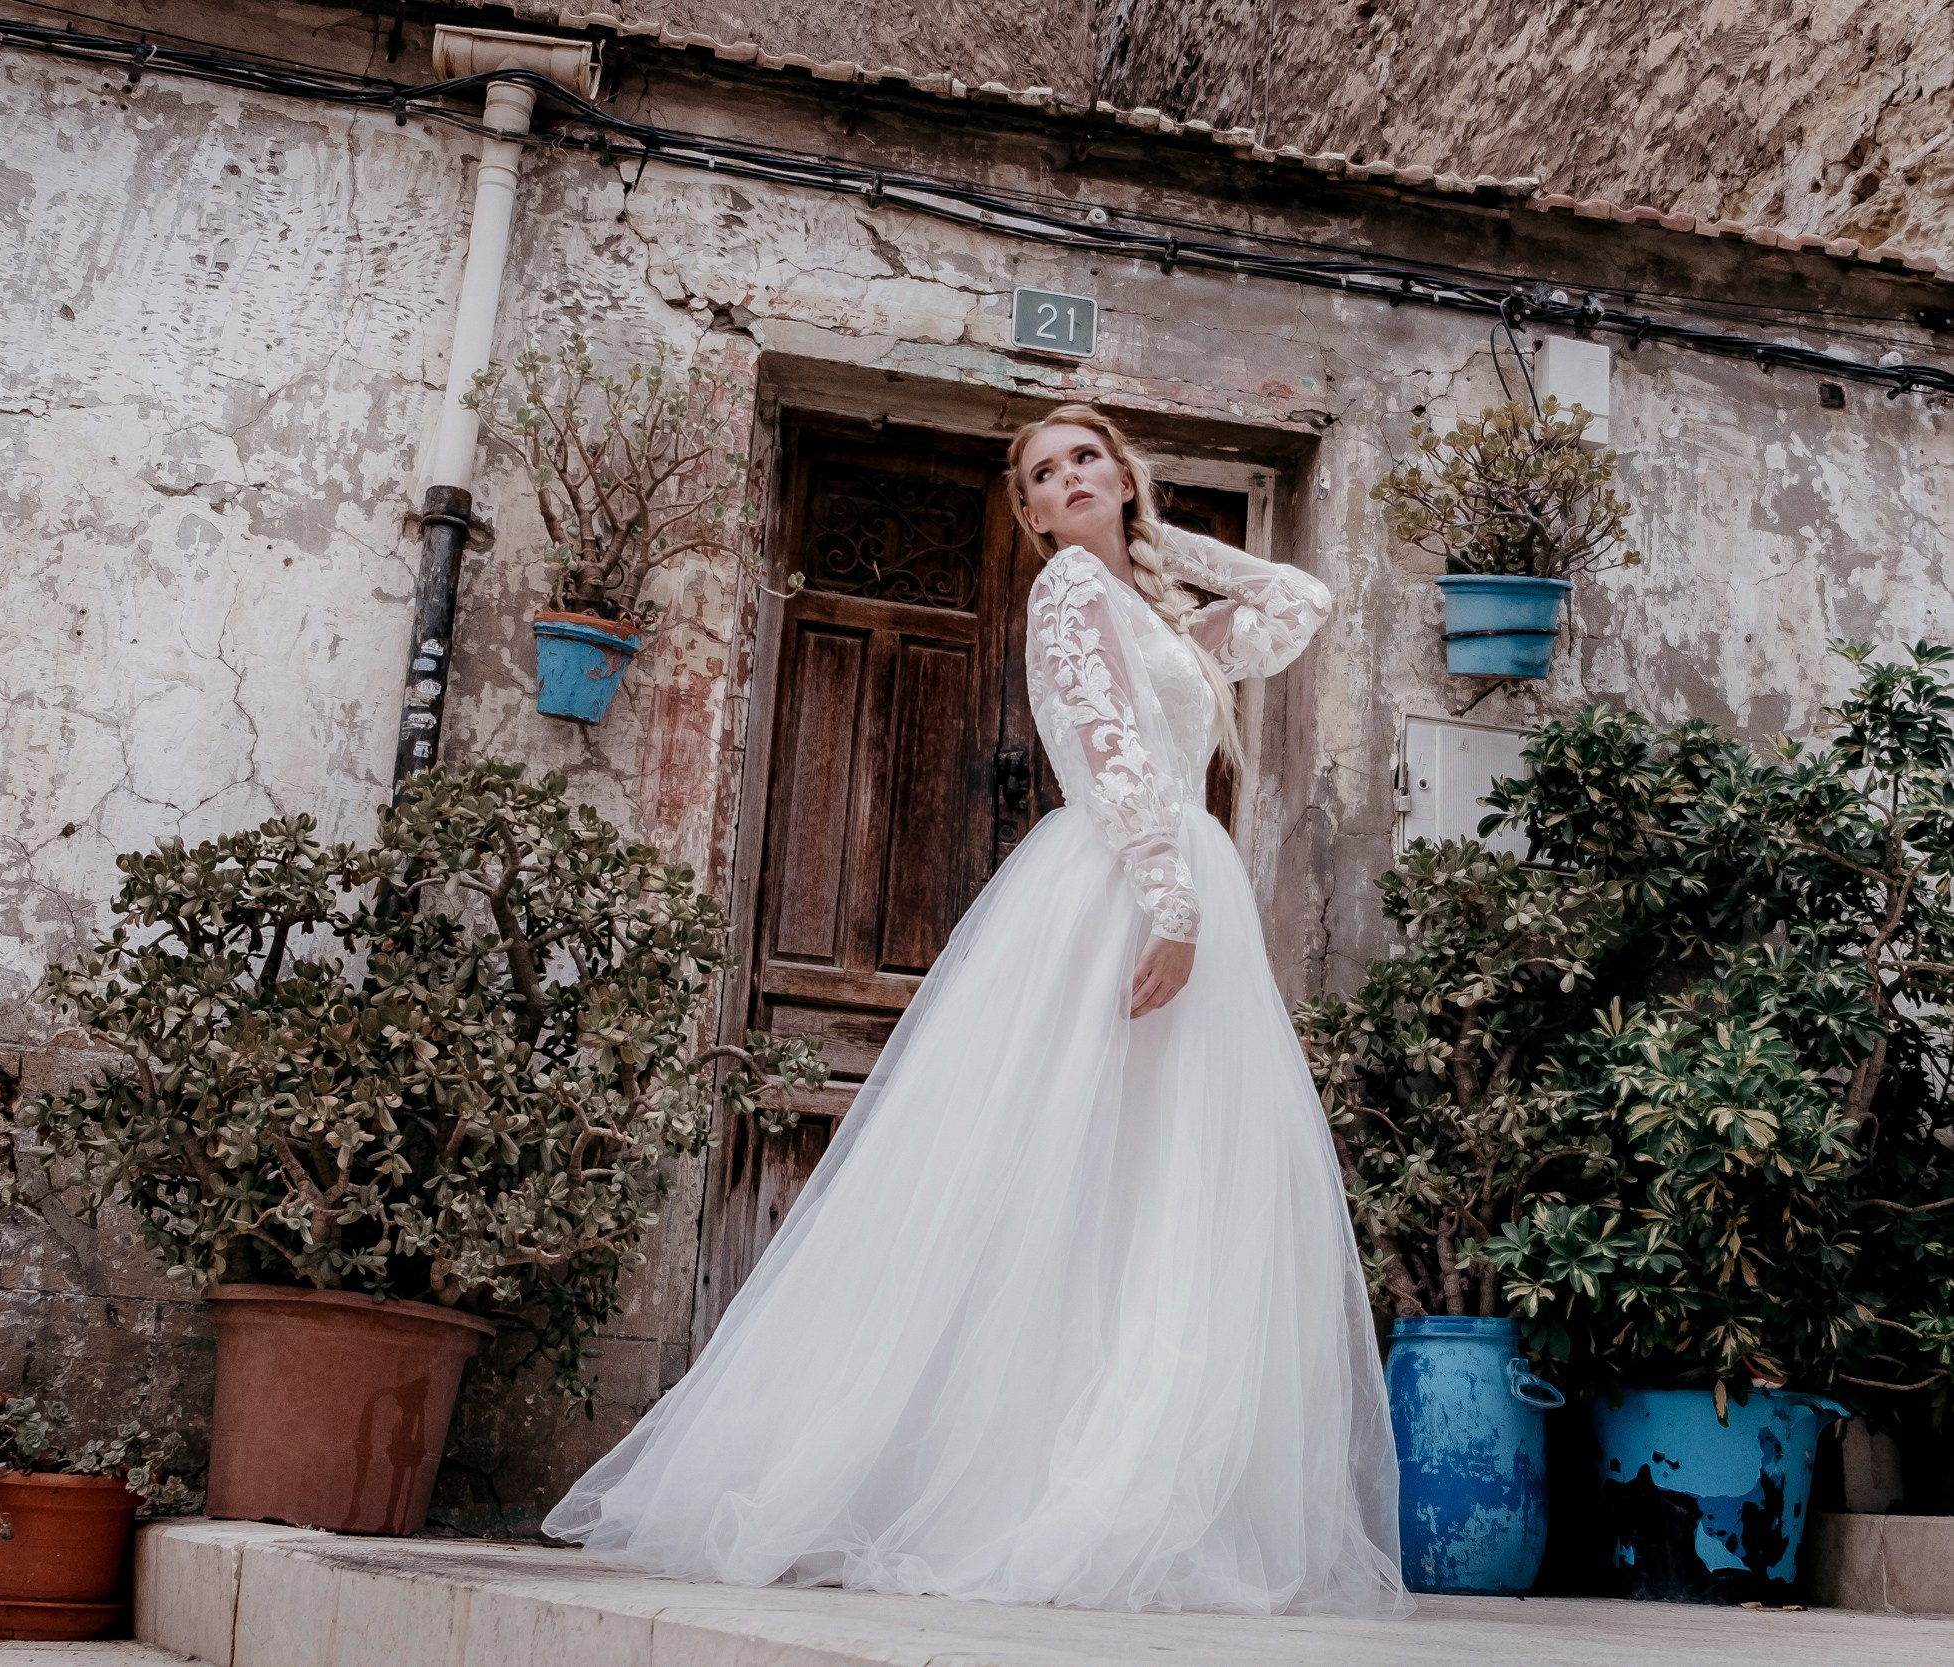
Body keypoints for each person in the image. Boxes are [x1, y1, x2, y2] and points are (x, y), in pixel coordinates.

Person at [542, 403, 1411, 1617]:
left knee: (1152, 1184)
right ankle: (980, 1476)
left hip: (1172, 872)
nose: (1068, 481)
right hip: (1124, 882)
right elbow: (1109, 752)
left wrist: (1156, 536)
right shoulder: (1066, 593)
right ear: (1031, 511)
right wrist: (1169, 904)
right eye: (1044, 475)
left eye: (1085, 459)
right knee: (1056, 1170)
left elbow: (1297, 599)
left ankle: (1115, 1468)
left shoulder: (1145, 601)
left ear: (1120, 468)